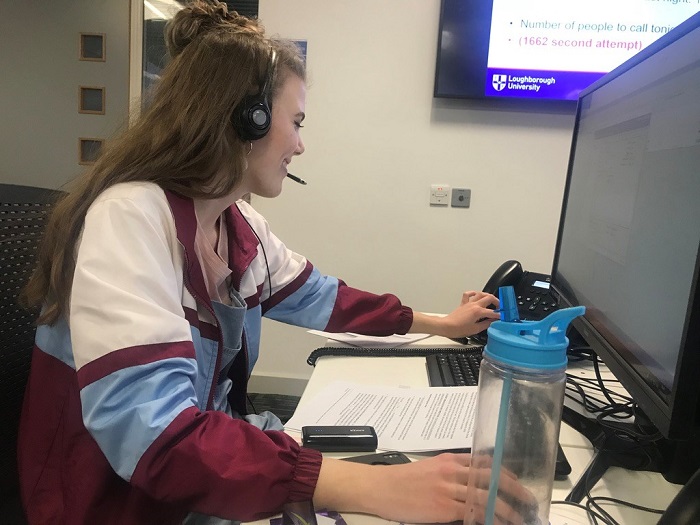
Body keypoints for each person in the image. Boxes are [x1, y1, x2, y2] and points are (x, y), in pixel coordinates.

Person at [17, 2, 507, 524]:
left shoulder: (237, 226)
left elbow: (326, 299)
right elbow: (152, 433)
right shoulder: (132, 217)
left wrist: (442, 323)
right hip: (124, 503)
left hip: (200, 474)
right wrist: (367, 485)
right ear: (245, 118)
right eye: (294, 122)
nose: (300, 143)